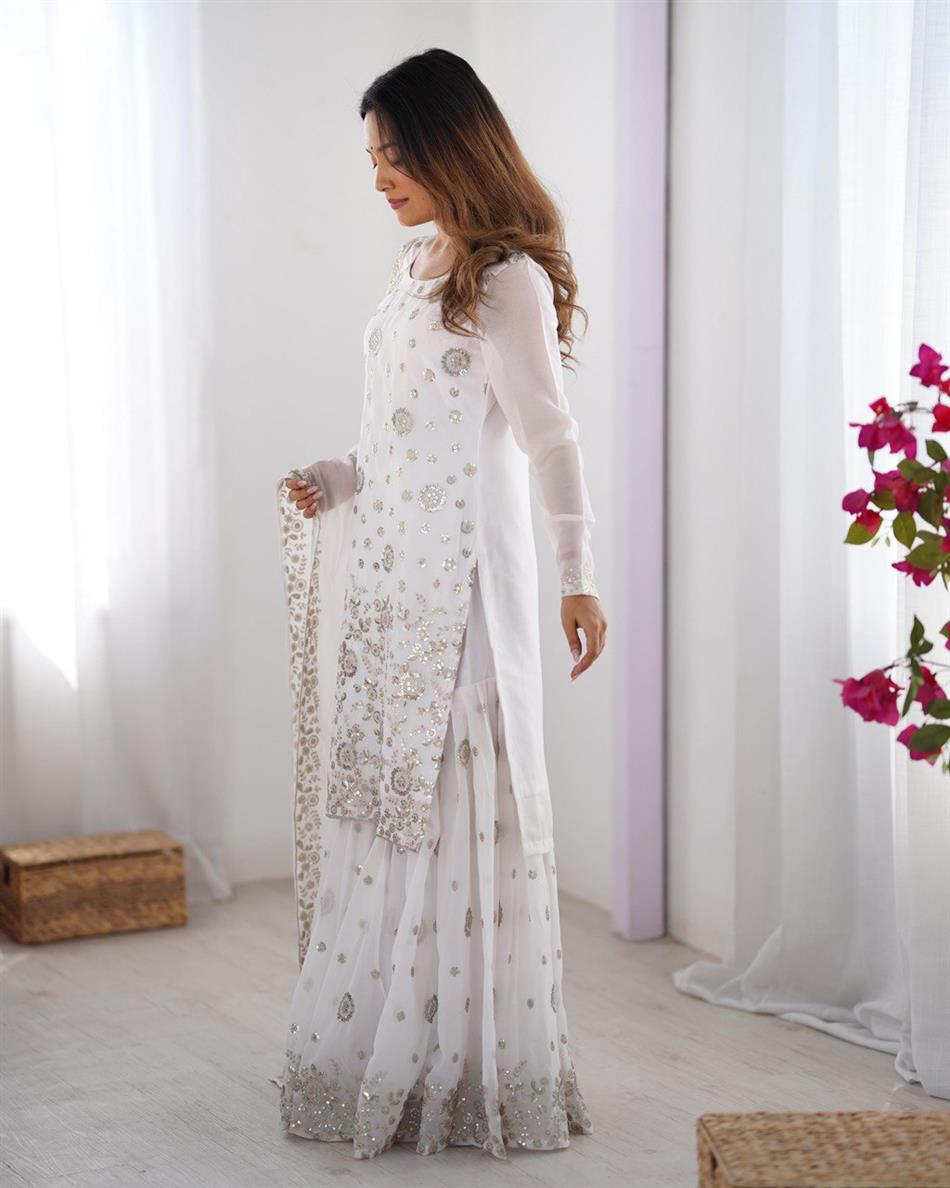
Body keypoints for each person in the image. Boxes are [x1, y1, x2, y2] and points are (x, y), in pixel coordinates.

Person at [272, 47, 607, 1161]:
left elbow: (550, 440)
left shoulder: (505, 279)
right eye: (372, 157)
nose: (378, 178)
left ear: (449, 147)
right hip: (390, 583)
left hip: (464, 593)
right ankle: (393, 1058)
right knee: (389, 812)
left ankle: (460, 1075)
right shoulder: (415, 264)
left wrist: (577, 574)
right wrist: (337, 478)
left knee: (456, 810)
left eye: (395, 156)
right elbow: (398, 437)